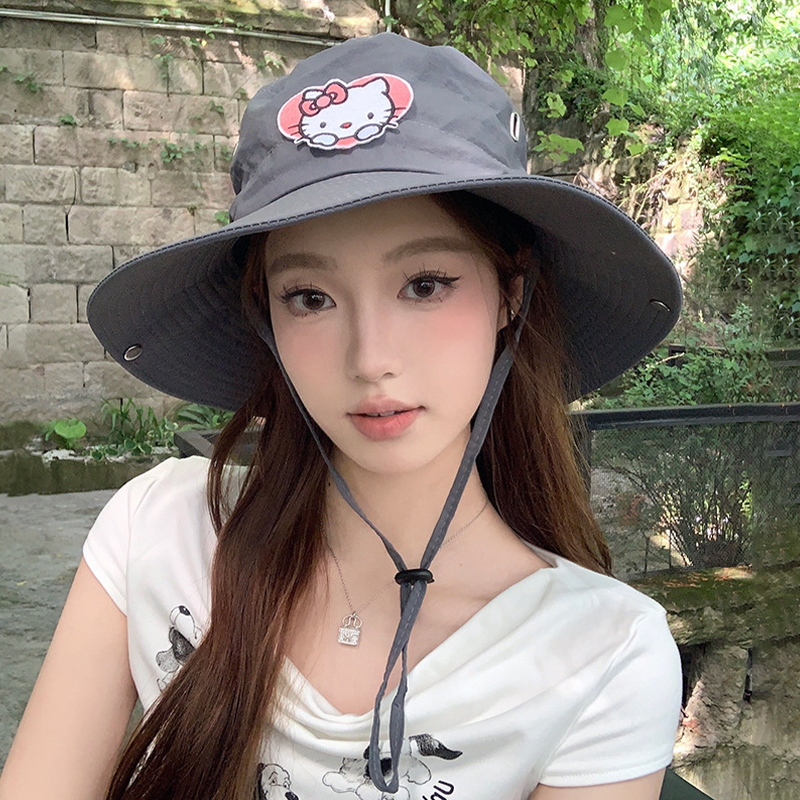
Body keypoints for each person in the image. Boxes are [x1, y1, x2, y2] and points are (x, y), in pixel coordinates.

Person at [0, 32, 684, 800]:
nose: (369, 358)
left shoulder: (601, 657)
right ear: (265, 314)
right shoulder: (157, 535)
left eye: (425, 284)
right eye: (310, 297)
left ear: (510, 294)